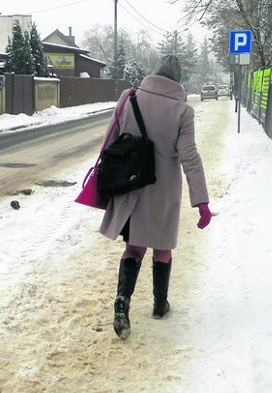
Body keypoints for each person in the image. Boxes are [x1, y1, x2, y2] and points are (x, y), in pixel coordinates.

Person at [99, 54, 212, 340]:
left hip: (130, 184)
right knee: (162, 248)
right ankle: (160, 306)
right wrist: (201, 201)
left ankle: (123, 300)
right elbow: (189, 156)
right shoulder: (183, 111)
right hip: (163, 189)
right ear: (177, 80)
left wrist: (103, 180)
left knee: (134, 248)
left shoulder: (129, 97)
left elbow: (111, 138)